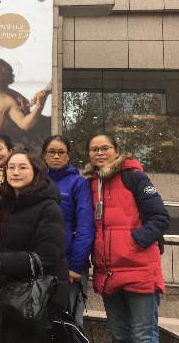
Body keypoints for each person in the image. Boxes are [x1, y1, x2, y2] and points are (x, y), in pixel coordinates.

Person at [84, 132, 170, 343]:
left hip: (139, 269)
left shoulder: (135, 177)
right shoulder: (91, 183)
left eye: (105, 148)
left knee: (144, 336)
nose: (100, 153)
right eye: (94, 149)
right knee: (120, 336)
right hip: (108, 273)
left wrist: (133, 243)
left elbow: (160, 217)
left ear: (117, 151)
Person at [0, 150, 68, 342]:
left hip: (36, 296)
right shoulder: (3, 203)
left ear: (35, 171)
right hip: (6, 292)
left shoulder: (49, 207)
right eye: (11, 167)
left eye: (22, 167)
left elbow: (46, 257)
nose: (15, 172)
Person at [42, 135, 94, 326]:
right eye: (51, 152)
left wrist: (76, 265)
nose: (56, 156)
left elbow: (85, 226)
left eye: (61, 152)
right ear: (44, 155)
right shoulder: (37, 181)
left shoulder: (78, 183)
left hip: (69, 262)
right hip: (42, 261)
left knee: (71, 321)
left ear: (68, 155)